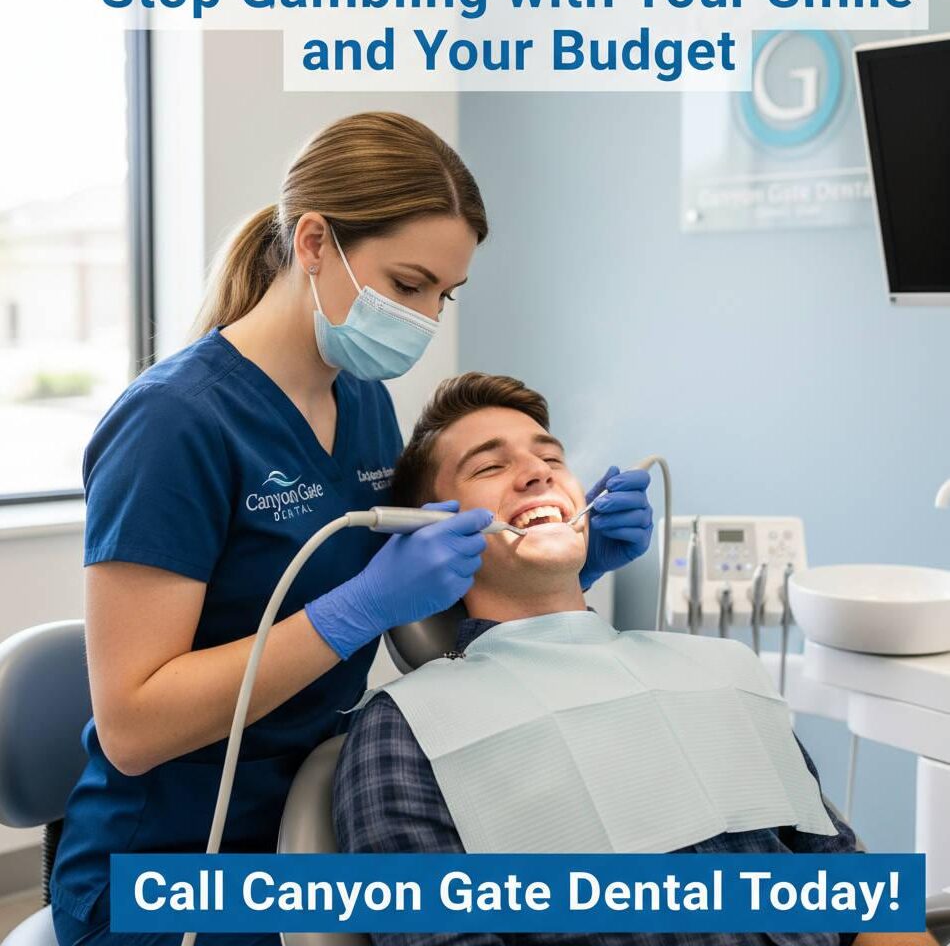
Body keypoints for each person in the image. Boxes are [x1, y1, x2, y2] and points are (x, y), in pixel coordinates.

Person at [50, 114, 654, 946]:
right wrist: (355, 608)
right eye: (408, 285)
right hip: (170, 859)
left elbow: (417, 625)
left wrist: (571, 573)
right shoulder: (171, 425)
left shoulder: (361, 401)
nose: (426, 318)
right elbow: (132, 729)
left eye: (444, 295)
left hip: (322, 813)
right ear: (313, 243)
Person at [333, 372, 937, 946]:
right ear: (432, 533)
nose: (537, 474)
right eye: (490, 466)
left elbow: (857, 898)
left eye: (551, 459)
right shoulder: (410, 729)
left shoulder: (721, 671)